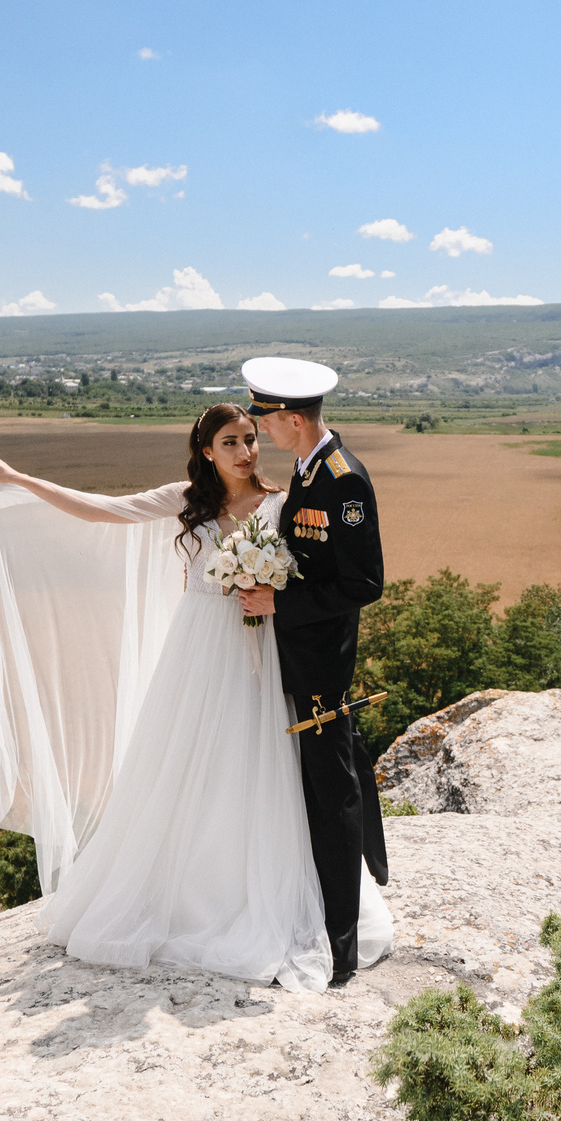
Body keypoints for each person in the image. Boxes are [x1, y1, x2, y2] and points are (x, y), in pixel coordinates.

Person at [0, 401, 391, 991]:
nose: (244, 451)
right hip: (200, 651)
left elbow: (326, 577)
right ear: (206, 452)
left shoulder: (284, 502)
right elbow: (103, 511)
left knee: (263, 771)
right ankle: (194, 896)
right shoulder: (188, 500)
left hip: (263, 654)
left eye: (249, 439)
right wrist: (18, 478)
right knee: (189, 767)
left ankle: (274, 896)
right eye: (229, 443)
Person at [237, 357, 391, 985]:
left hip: (323, 660)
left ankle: (342, 947)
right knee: (336, 770)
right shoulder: (305, 471)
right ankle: (369, 866)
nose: (259, 432)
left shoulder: (343, 480)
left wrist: (281, 602)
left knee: (332, 796)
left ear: (293, 420)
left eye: (265, 420)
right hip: (299, 653)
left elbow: (365, 583)